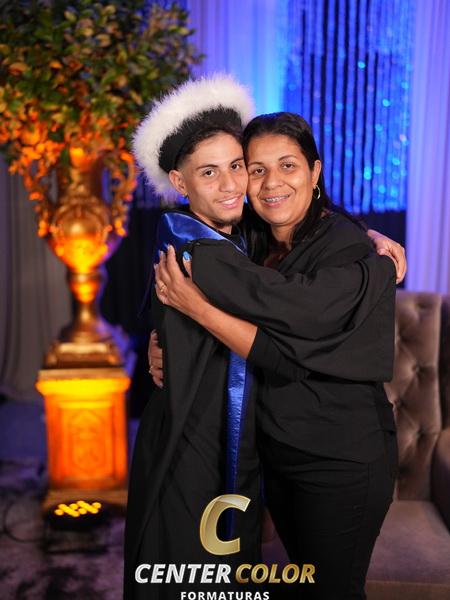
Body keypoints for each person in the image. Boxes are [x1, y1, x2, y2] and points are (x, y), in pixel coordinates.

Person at [152, 111, 400, 600]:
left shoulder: (347, 248)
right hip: (278, 457)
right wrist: (160, 338)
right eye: (256, 168)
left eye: (288, 166)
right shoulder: (255, 236)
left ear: (315, 171)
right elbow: (191, 249)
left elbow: (286, 344)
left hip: (340, 459)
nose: (270, 183)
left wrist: (198, 310)